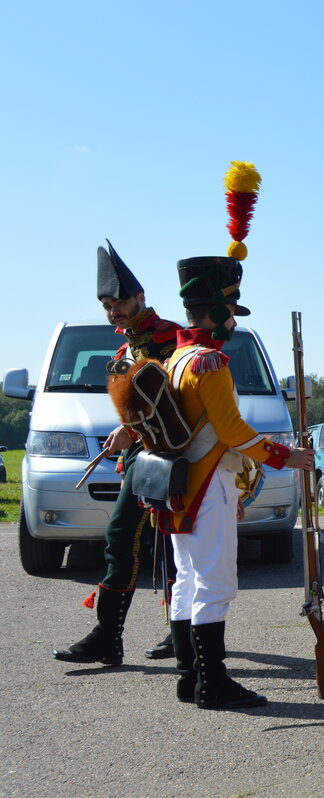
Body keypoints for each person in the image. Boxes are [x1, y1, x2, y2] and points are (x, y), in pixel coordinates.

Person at [163, 254, 314, 709]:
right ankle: (214, 684)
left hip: (180, 486)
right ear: (213, 311)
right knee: (216, 584)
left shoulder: (176, 358)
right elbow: (232, 433)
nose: (234, 318)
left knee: (188, 581)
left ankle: (190, 679)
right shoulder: (210, 362)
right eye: (230, 309)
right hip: (208, 482)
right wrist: (288, 457)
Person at [52, 241, 183, 667]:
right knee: (121, 538)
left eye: (120, 302)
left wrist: (131, 430)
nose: (114, 312)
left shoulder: (171, 340)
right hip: (139, 460)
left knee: (171, 545)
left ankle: (179, 631)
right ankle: (109, 637)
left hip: (173, 457)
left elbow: (176, 404)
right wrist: (122, 431)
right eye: (108, 305)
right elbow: (136, 405)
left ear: (140, 298)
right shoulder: (122, 351)